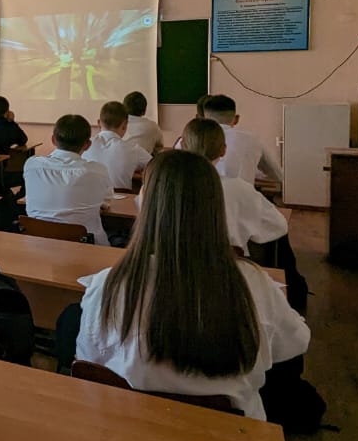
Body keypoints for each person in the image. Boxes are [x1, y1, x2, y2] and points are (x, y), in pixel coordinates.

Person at [71, 151, 309, 419]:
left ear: (146, 205)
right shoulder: (255, 285)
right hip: (231, 434)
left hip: (133, 428)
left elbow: (88, 361)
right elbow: (295, 344)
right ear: (215, 206)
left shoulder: (109, 284)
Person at [180, 118, 287, 251]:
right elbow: (279, 226)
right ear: (224, 150)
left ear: (182, 146)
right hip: (224, 261)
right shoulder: (239, 189)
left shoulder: (162, 186)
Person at [23, 114, 114, 245]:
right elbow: (106, 200)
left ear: (53, 140)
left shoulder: (31, 165)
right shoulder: (98, 171)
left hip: (37, 246)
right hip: (87, 250)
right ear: (87, 145)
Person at [202, 94, 283, 184]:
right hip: (243, 192)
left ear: (203, 120)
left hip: (205, 192)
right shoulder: (253, 140)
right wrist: (249, 172)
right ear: (236, 119)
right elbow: (278, 175)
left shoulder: (194, 139)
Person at [82, 100, 152, 190]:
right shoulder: (133, 149)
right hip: (122, 197)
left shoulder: (84, 145)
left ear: (99, 123)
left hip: (90, 196)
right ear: (125, 125)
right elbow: (158, 166)